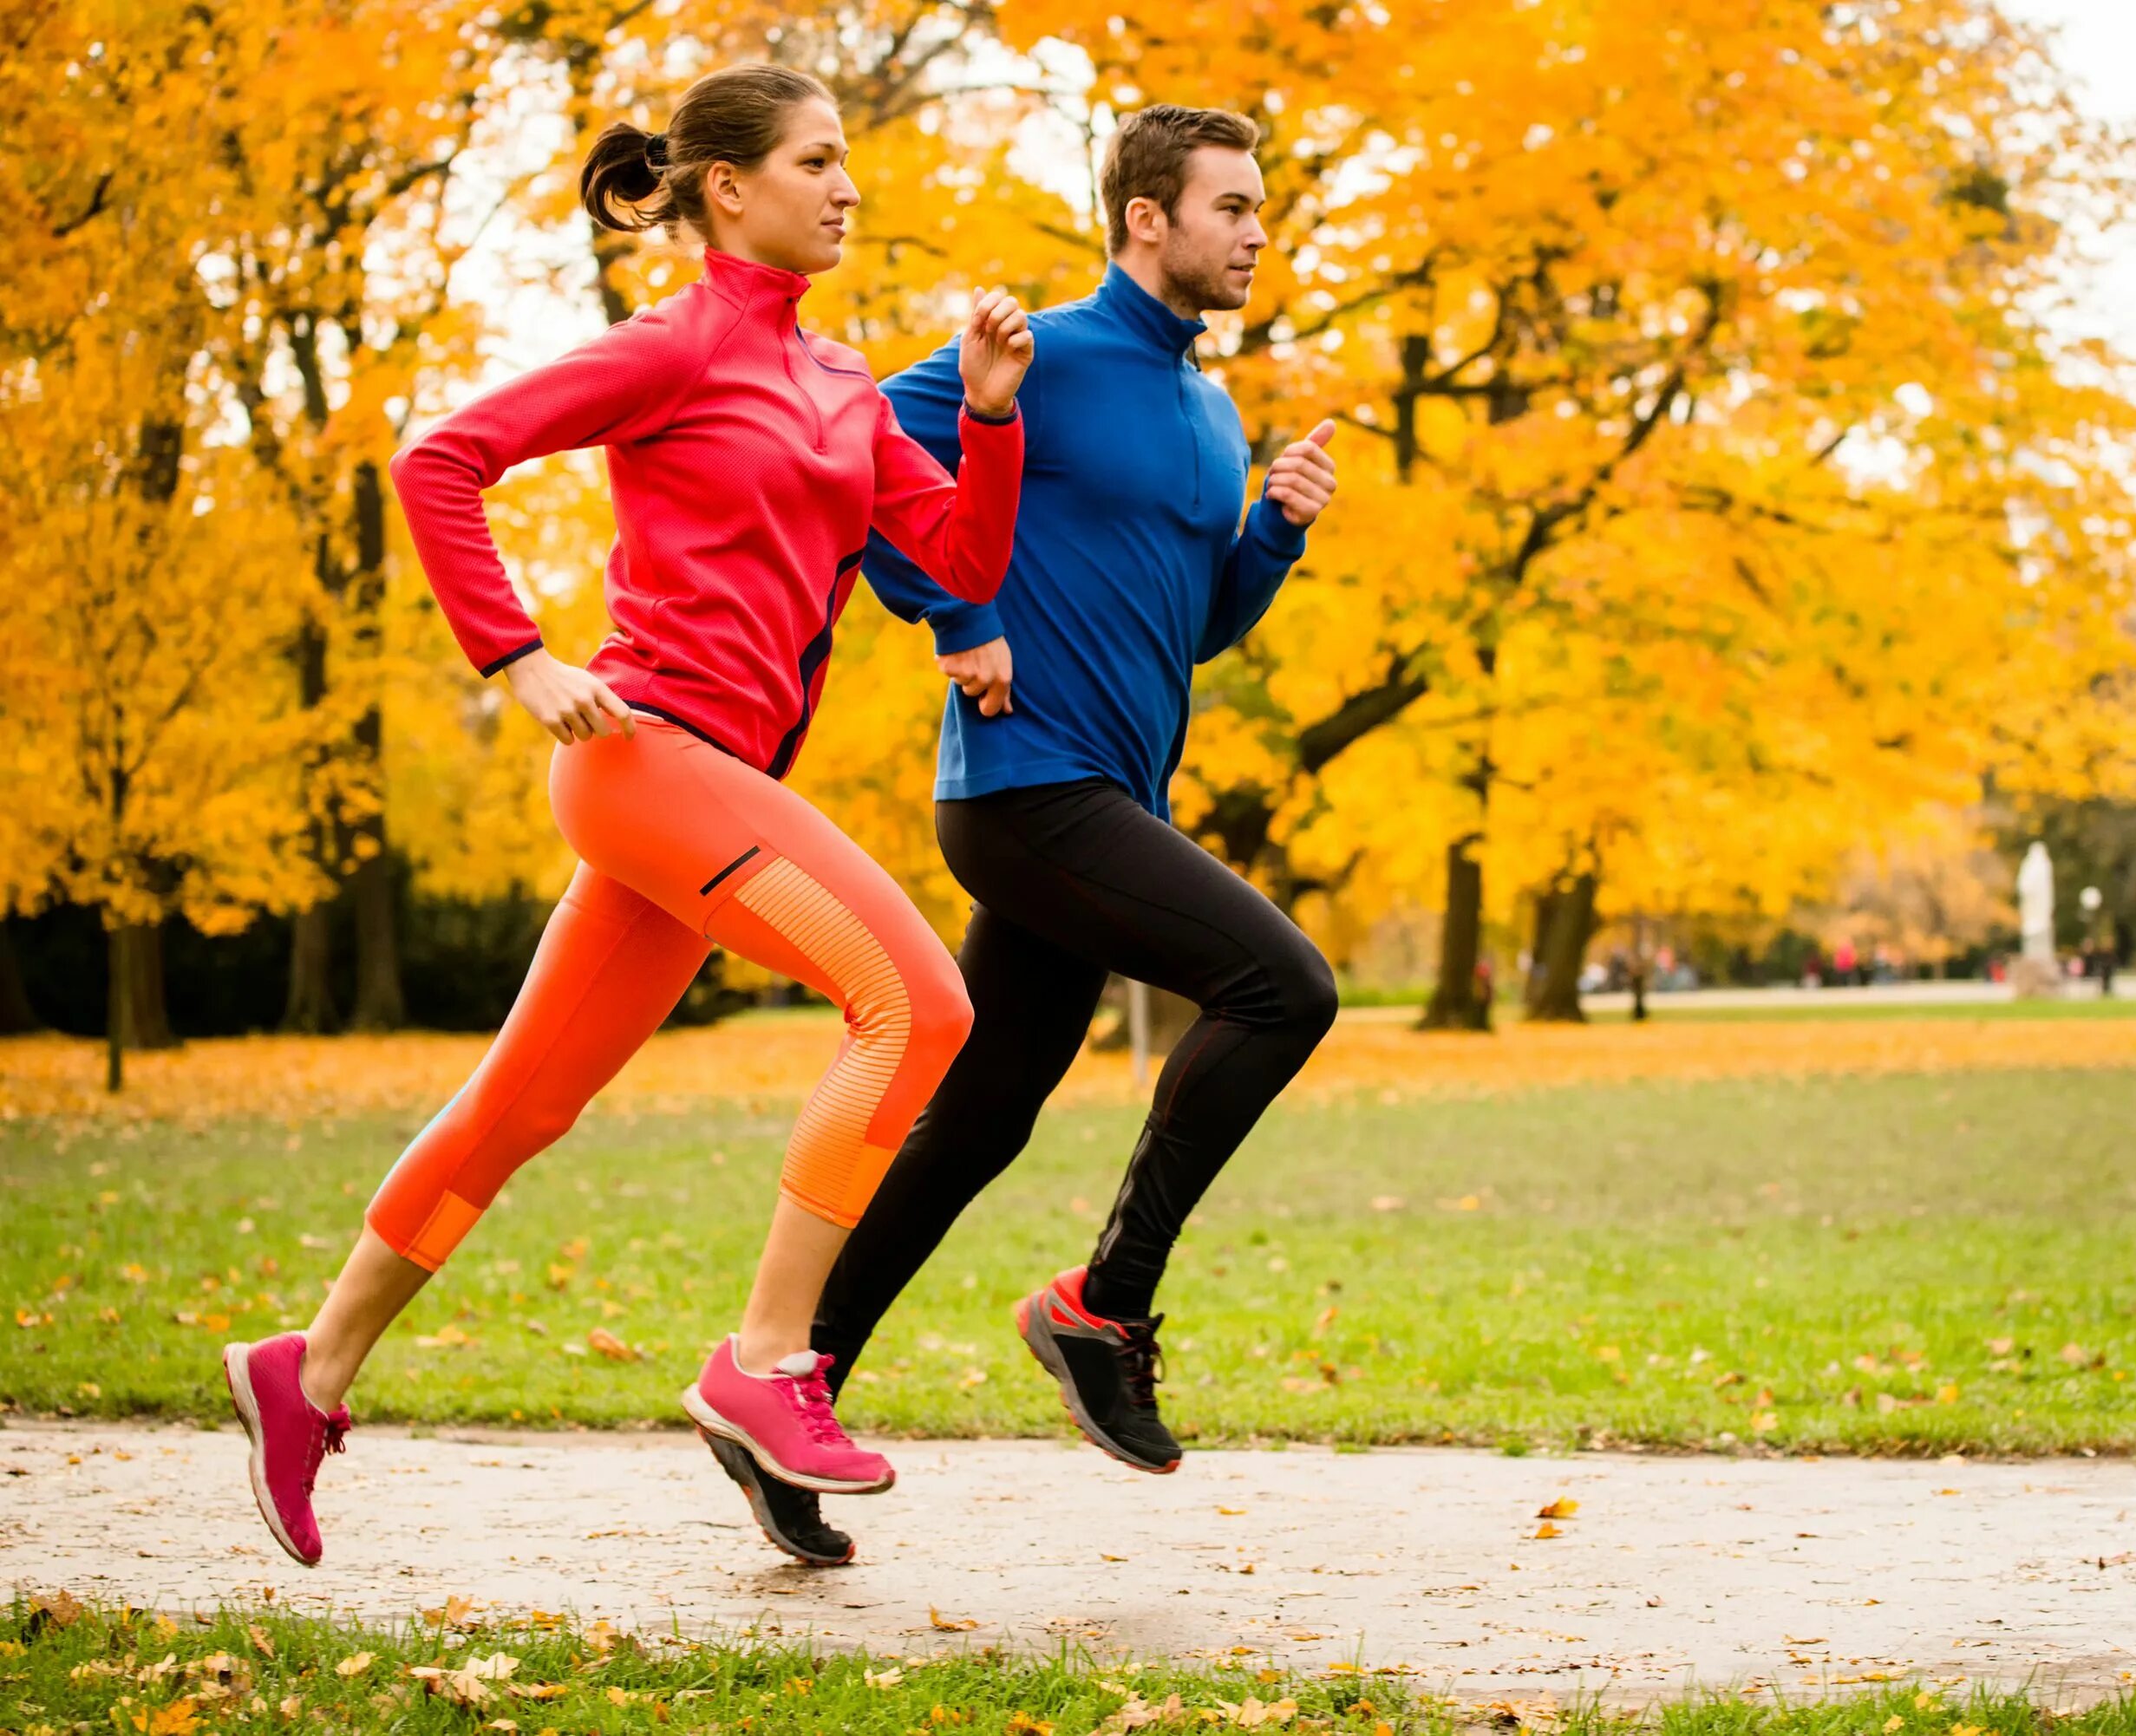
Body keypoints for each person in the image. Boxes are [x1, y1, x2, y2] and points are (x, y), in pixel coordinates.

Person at [219, 62, 1035, 1570]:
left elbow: (961, 558)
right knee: (917, 1002)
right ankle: (766, 1362)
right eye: (817, 161)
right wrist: (517, 657)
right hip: (641, 755)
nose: (848, 187)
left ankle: (308, 1367)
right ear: (728, 188)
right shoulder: (669, 349)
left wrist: (988, 417)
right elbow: (440, 459)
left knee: (524, 1102)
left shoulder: (847, 382)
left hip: (715, 793)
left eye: (847, 163)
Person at [710, 104, 1344, 1565]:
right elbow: (864, 463)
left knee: (979, 1118)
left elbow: (1193, 635)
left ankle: (782, 1393)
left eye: (1260, 209)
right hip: (1025, 789)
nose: (1256, 232)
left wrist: (1272, 538)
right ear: (1145, 220)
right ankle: (1104, 1304)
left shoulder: (1208, 409)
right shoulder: (1043, 353)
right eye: (1231, 207)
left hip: (1107, 793)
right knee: (1285, 985)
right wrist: (963, 616)